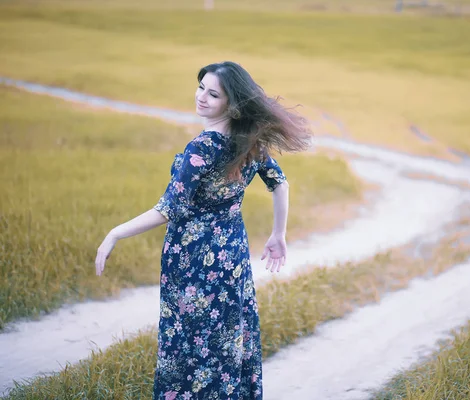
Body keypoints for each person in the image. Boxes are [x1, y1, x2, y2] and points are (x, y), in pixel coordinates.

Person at [95, 61, 312, 400]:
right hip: (232, 257)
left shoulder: (204, 147)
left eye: (213, 94)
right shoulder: (248, 141)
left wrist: (115, 233)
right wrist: (277, 234)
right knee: (225, 340)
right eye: (201, 88)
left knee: (188, 344)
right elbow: (280, 184)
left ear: (232, 103)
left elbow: (169, 208)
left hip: (193, 261)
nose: (201, 98)